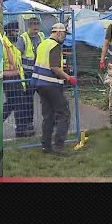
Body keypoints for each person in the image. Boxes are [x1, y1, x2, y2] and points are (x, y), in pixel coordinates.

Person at [31, 23, 77, 155]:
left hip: (39, 84)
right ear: (58, 33)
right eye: (63, 35)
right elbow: (54, 67)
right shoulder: (55, 46)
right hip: (51, 84)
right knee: (64, 113)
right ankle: (59, 145)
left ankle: (46, 146)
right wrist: (69, 78)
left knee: (48, 115)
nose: (64, 37)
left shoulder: (42, 44)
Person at [2, 21, 32, 137]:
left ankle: (21, 129)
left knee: (13, 104)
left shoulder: (13, 45)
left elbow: (18, 65)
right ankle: (21, 130)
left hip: (17, 79)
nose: (17, 34)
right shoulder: (4, 44)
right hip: (9, 79)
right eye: (15, 31)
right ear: (9, 32)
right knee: (18, 104)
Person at [16, 16, 45, 135]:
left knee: (47, 96)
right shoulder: (23, 39)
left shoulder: (41, 36)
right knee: (28, 100)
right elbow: (18, 56)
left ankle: (50, 119)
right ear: (29, 26)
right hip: (28, 74)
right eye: (34, 27)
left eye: (37, 27)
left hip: (40, 73)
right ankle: (29, 123)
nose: (36, 29)